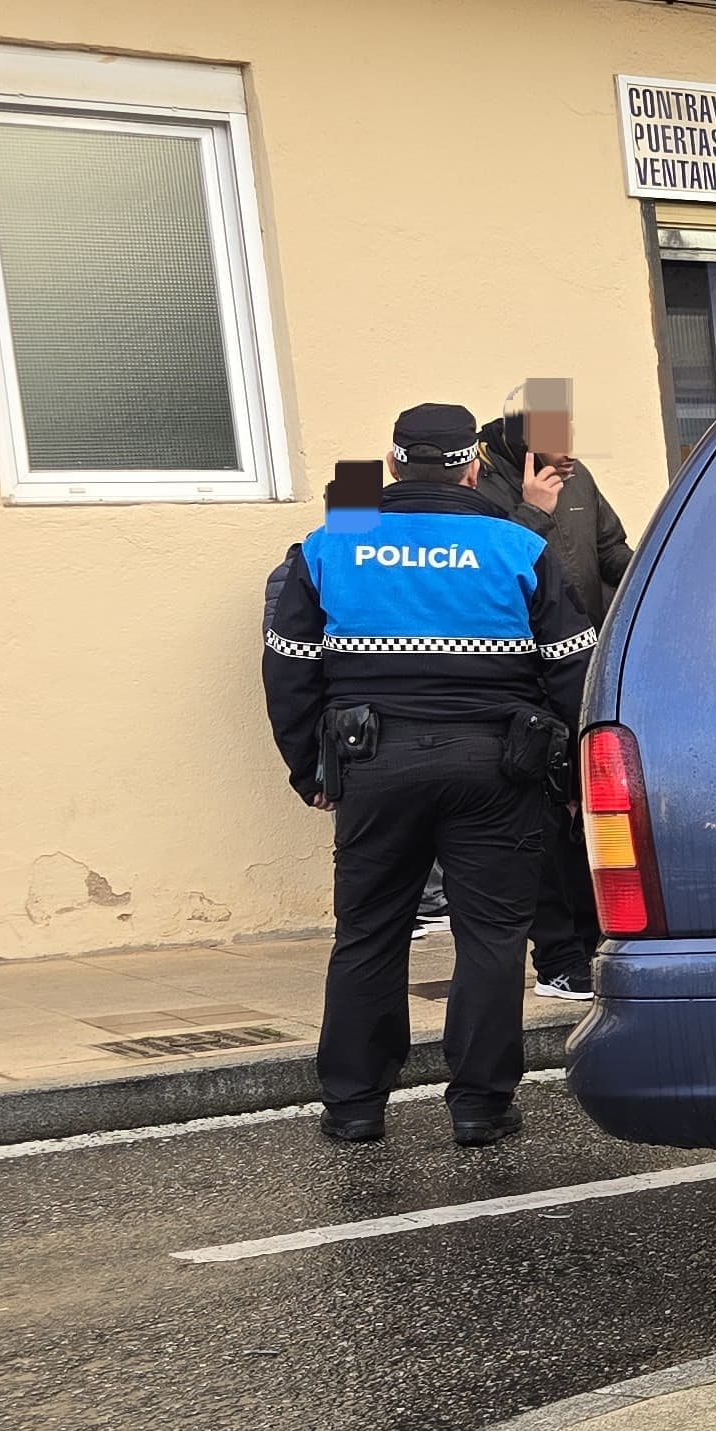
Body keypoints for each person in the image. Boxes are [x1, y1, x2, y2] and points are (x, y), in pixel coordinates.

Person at [262, 403, 600, 1148]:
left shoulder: (335, 542)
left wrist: (308, 770)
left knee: (369, 934)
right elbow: (573, 667)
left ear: (392, 466)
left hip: (372, 763)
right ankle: (480, 1106)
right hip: (496, 767)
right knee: (491, 937)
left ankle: (354, 1108)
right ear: (474, 467)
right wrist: (573, 777)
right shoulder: (514, 543)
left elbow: (289, 669)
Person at [476, 411, 633, 999]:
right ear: (516, 456)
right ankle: (557, 957)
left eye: (570, 456)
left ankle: (595, 942)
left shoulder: (579, 478)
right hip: (520, 676)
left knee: (588, 814)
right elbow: (498, 571)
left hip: (580, 664)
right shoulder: (483, 490)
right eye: (552, 459)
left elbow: (612, 552)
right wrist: (534, 508)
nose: (566, 466)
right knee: (540, 824)